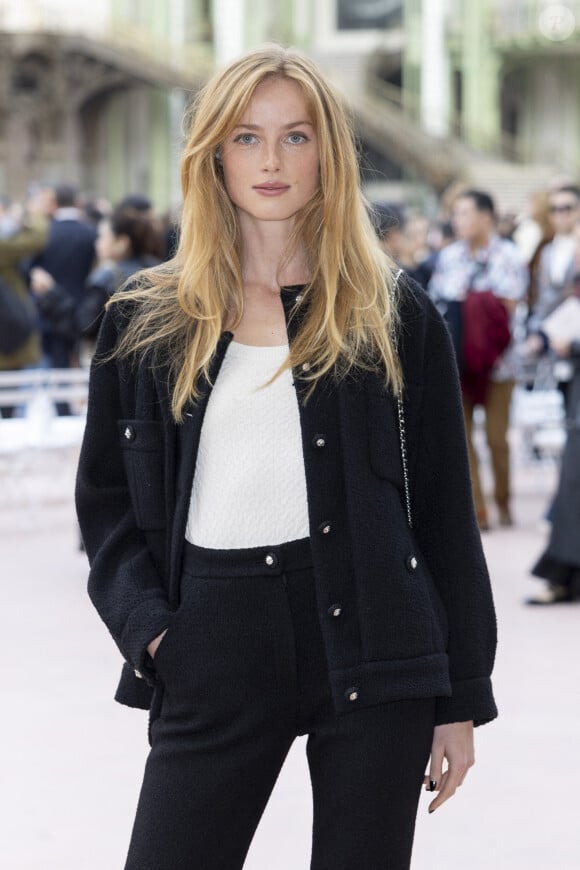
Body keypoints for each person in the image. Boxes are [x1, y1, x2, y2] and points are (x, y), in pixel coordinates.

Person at [76, 45, 498, 870]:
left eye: (296, 137)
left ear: (328, 155)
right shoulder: (146, 318)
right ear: (213, 155)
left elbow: (447, 512)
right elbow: (107, 508)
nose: (271, 161)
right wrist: (155, 634)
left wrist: (461, 698)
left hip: (378, 639)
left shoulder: (392, 311)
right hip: (214, 637)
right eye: (246, 137)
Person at [429, 189, 527, 531]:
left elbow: (512, 304)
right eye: (455, 214)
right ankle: (478, 510)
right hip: (460, 363)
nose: (459, 221)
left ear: (487, 216)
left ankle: (503, 499)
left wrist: (475, 306)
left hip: (501, 364)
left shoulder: (508, 255)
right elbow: (439, 302)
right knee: (463, 438)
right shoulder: (448, 256)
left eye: (466, 213)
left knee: (497, 438)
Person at [0, 193, 48, 417]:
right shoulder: (4, 246)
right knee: (9, 395)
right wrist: (35, 213)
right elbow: (37, 238)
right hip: (8, 329)